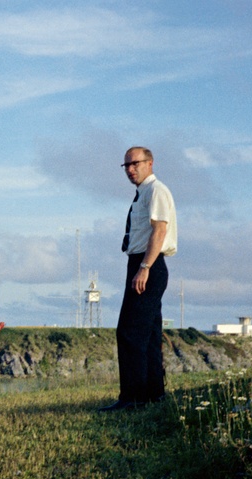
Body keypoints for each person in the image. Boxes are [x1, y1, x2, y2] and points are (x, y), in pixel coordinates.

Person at [99, 147, 177, 411]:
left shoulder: (156, 190)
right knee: (150, 333)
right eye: (126, 166)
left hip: (148, 263)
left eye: (135, 164)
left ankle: (133, 399)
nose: (131, 170)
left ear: (150, 163)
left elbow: (160, 230)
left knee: (130, 332)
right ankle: (154, 394)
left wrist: (144, 267)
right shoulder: (144, 193)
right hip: (143, 263)